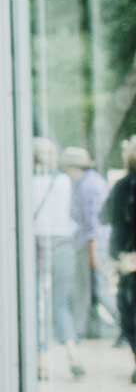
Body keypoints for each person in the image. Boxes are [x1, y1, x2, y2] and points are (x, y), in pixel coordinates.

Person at [32, 138, 84, 379]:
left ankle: (42, 361)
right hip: (63, 243)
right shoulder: (63, 182)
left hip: (36, 243)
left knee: (37, 303)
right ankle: (72, 354)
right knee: (61, 303)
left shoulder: (28, 183)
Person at [60, 145, 117, 339]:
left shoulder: (88, 186)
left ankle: (125, 325)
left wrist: (92, 252)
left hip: (92, 244)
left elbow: (94, 223)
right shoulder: (86, 183)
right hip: (89, 243)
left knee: (99, 287)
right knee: (91, 288)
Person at [101, 137, 136, 384]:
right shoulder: (123, 186)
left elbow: (107, 217)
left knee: (129, 312)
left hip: (128, 259)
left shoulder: (123, 186)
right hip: (128, 258)